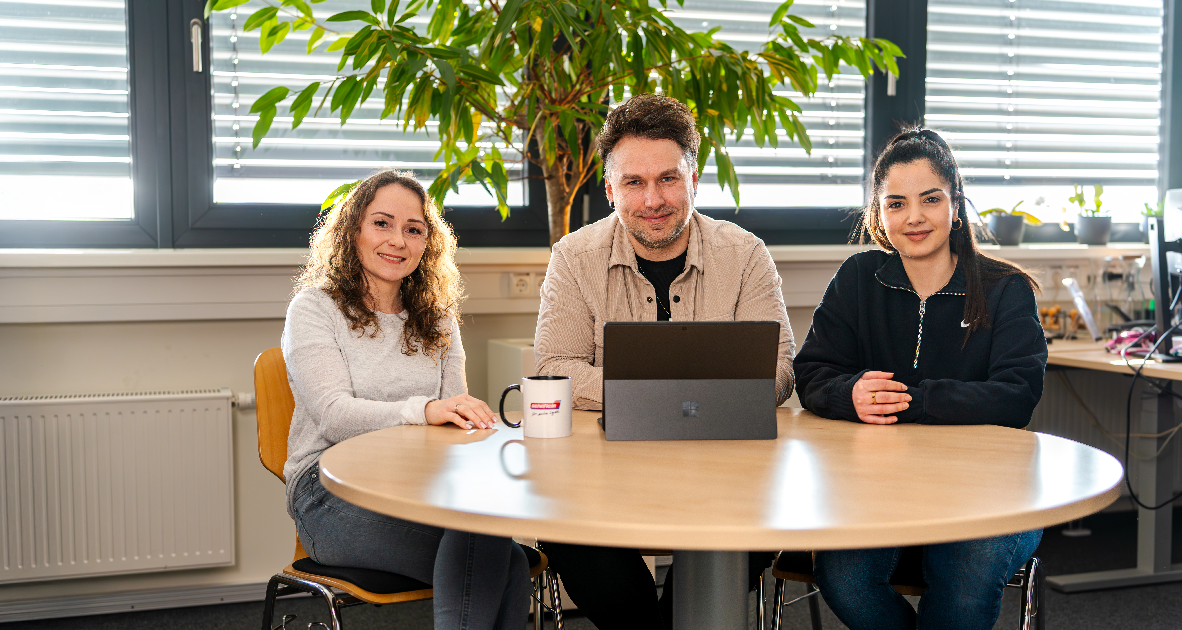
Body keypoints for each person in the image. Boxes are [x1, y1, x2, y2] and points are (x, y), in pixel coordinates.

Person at [534, 93, 796, 629]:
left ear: (693, 180)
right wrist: (677, 393)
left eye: (668, 179)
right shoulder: (573, 257)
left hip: (727, 472)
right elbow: (555, 367)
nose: (653, 199)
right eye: (634, 182)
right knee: (564, 529)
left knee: (745, 531)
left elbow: (779, 369)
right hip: (603, 471)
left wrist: (647, 392)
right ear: (611, 190)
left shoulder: (746, 254)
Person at [793, 128, 1047, 630]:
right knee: (844, 577)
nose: (914, 217)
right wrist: (849, 394)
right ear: (879, 214)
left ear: (955, 205)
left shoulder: (1005, 289)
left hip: (988, 487)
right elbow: (813, 372)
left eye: (930, 199)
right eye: (896, 203)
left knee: (965, 579)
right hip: (878, 486)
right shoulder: (857, 279)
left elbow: (1017, 396)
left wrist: (914, 401)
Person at [281, 170, 531, 630]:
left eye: (413, 229)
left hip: (419, 487)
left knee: (495, 546)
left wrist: (467, 421)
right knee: (497, 557)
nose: (397, 240)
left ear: (427, 244)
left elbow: (453, 421)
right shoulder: (314, 309)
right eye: (381, 223)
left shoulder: (438, 319)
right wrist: (425, 410)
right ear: (353, 229)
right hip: (329, 491)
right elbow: (334, 416)